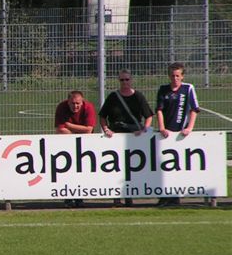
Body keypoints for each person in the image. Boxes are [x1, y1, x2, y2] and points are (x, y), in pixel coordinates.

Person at [99, 70, 153, 207]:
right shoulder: (113, 97)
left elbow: (149, 116)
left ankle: (130, 196)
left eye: (127, 79)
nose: (125, 82)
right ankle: (117, 198)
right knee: (116, 167)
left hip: (133, 136)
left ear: (131, 80)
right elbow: (102, 116)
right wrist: (106, 129)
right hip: (116, 135)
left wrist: (144, 130)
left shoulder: (138, 96)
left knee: (133, 168)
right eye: (122, 80)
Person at [155, 62, 200, 207]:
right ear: (169, 76)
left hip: (180, 134)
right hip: (166, 133)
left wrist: (189, 128)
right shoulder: (163, 89)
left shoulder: (188, 88)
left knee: (177, 166)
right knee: (163, 166)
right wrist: (162, 128)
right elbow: (159, 109)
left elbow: (194, 109)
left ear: (182, 76)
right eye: (172, 76)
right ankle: (164, 196)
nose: (175, 78)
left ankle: (174, 197)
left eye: (178, 76)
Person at [54, 91, 96, 207]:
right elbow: (60, 130)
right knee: (67, 170)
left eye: (78, 103)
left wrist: (69, 125)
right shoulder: (62, 107)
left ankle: (79, 197)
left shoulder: (88, 107)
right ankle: (68, 197)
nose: (75, 106)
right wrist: (78, 132)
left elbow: (89, 130)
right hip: (66, 146)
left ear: (82, 102)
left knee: (82, 170)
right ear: (68, 102)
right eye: (73, 103)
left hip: (85, 145)